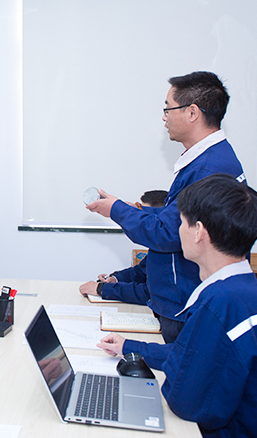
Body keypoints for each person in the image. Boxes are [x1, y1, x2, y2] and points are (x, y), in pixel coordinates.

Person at [86, 71, 245, 343]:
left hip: (186, 305)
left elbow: (167, 233)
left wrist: (116, 210)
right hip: (182, 301)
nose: (164, 117)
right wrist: (133, 209)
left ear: (192, 112)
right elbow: (177, 219)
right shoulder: (208, 160)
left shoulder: (207, 169)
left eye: (168, 108)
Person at [98, 174, 257, 437]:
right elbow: (194, 356)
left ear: (198, 232)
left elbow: (185, 402)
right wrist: (130, 347)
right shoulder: (241, 290)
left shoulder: (218, 304)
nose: (175, 232)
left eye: (180, 223)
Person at [79, 190, 167, 306]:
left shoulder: (172, 250)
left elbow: (149, 294)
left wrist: (101, 289)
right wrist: (114, 279)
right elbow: (140, 272)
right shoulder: (159, 248)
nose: (138, 218)